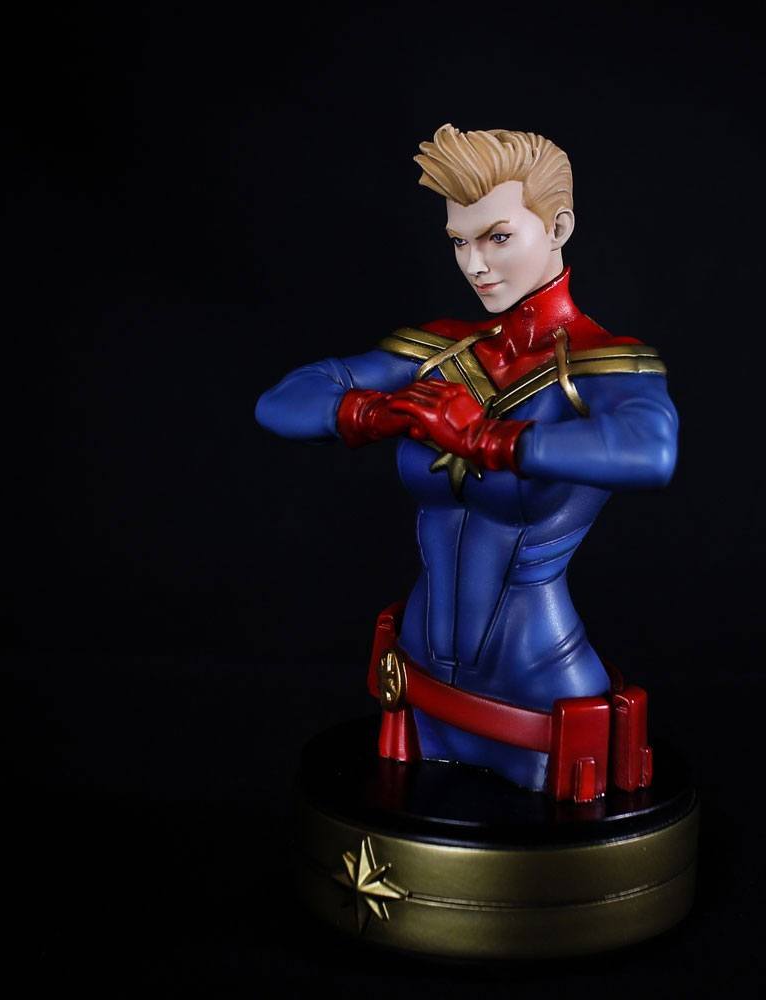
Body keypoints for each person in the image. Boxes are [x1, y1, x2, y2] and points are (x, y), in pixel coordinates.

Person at [256, 124, 678, 798]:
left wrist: (483, 438)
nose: (475, 265)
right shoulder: (440, 353)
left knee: (550, 847)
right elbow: (281, 402)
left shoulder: (598, 365)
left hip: (541, 682)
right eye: (460, 242)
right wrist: (382, 412)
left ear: (559, 227)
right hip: (417, 676)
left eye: (497, 237)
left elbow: (651, 450)